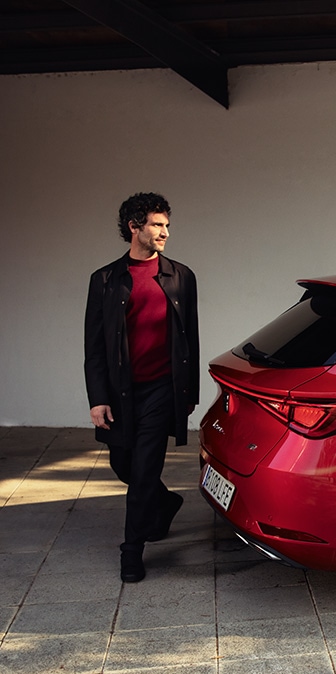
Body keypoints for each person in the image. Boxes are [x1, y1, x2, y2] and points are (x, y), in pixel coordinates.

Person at [83, 192, 200, 583]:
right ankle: (165, 504)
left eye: (167, 225)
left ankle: (131, 550)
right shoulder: (104, 280)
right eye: (157, 225)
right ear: (134, 228)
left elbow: (191, 339)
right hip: (120, 392)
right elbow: (95, 346)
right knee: (122, 464)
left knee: (145, 467)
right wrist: (98, 398)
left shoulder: (181, 276)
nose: (165, 232)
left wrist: (189, 392)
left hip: (162, 389)